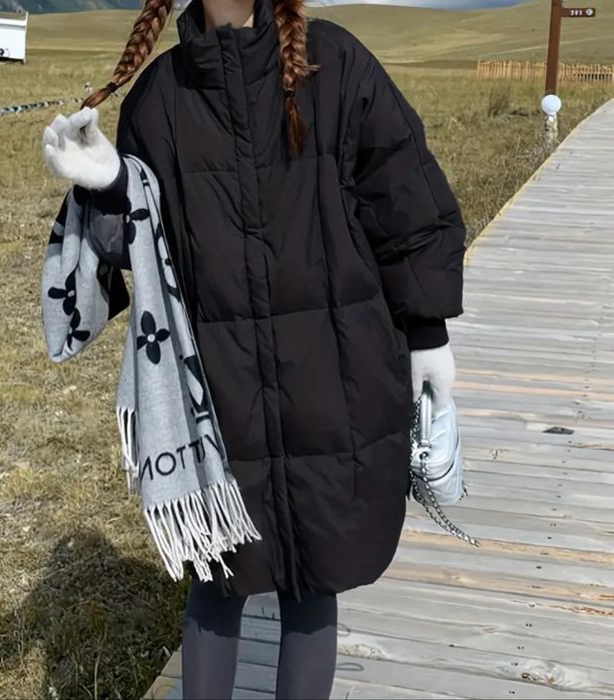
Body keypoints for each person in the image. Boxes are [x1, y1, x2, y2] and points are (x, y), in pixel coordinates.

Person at [41, 0, 465, 696]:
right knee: (217, 574)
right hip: (216, 389)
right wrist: (111, 185)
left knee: (314, 579)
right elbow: (142, 250)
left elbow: (406, 198)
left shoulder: (336, 64)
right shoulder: (158, 97)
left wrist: (428, 331)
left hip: (338, 376)